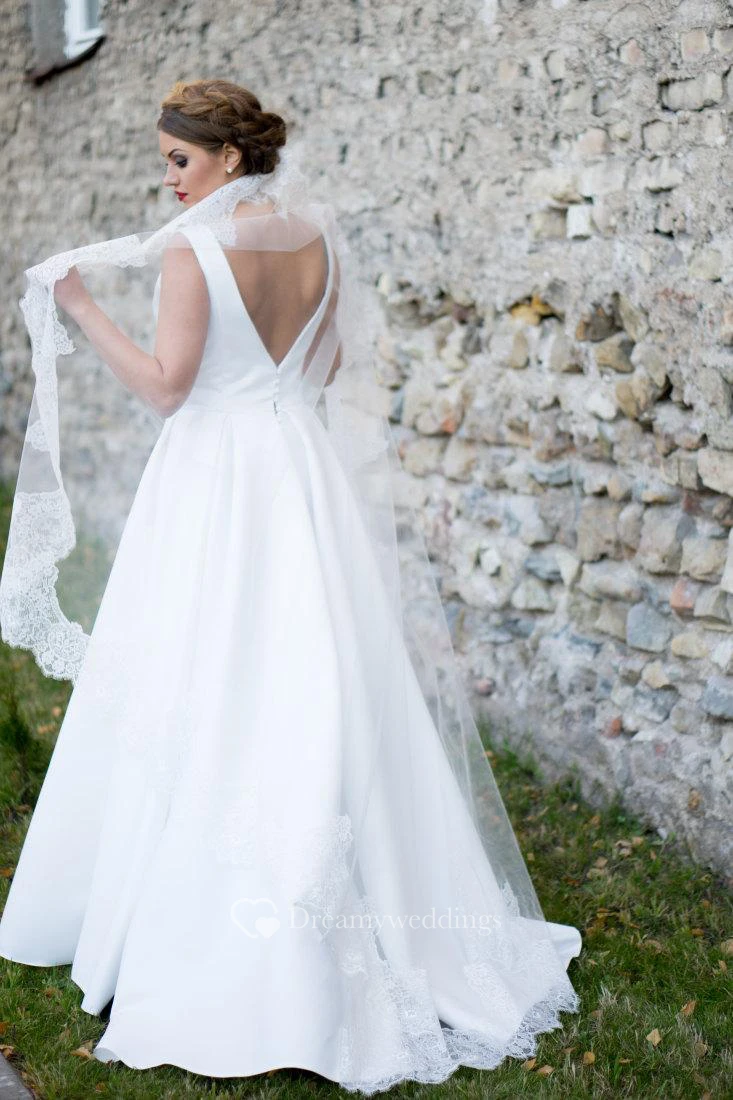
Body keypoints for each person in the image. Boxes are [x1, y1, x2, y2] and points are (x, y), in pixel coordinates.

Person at [0, 79, 581, 1094]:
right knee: (318, 673)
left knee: (207, 674)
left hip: (215, 481)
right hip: (298, 472)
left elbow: (167, 388)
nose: (168, 178)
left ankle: (220, 923)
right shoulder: (315, 239)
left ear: (227, 156)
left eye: (179, 159)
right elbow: (332, 358)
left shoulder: (192, 249)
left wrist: (80, 306)